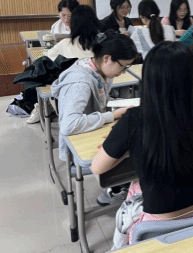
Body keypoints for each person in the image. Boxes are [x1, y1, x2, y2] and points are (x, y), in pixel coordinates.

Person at [91, 42, 193, 246]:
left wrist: (128, 146)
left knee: (131, 196)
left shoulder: (134, 119)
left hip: (156, 227)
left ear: (149, 78)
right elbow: (175, 135)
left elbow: (97, 167)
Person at [51, 31, 138, 205]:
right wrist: (112, 115)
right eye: (124, 66)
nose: (123, 72)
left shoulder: (98, 71)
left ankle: (119, 188)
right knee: (138, 149)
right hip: (78, 146)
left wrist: (120, 106)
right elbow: (69, 125)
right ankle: (118, 190)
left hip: (93, 130)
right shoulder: (80, 83)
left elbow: (101, 101)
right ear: (107, 58)